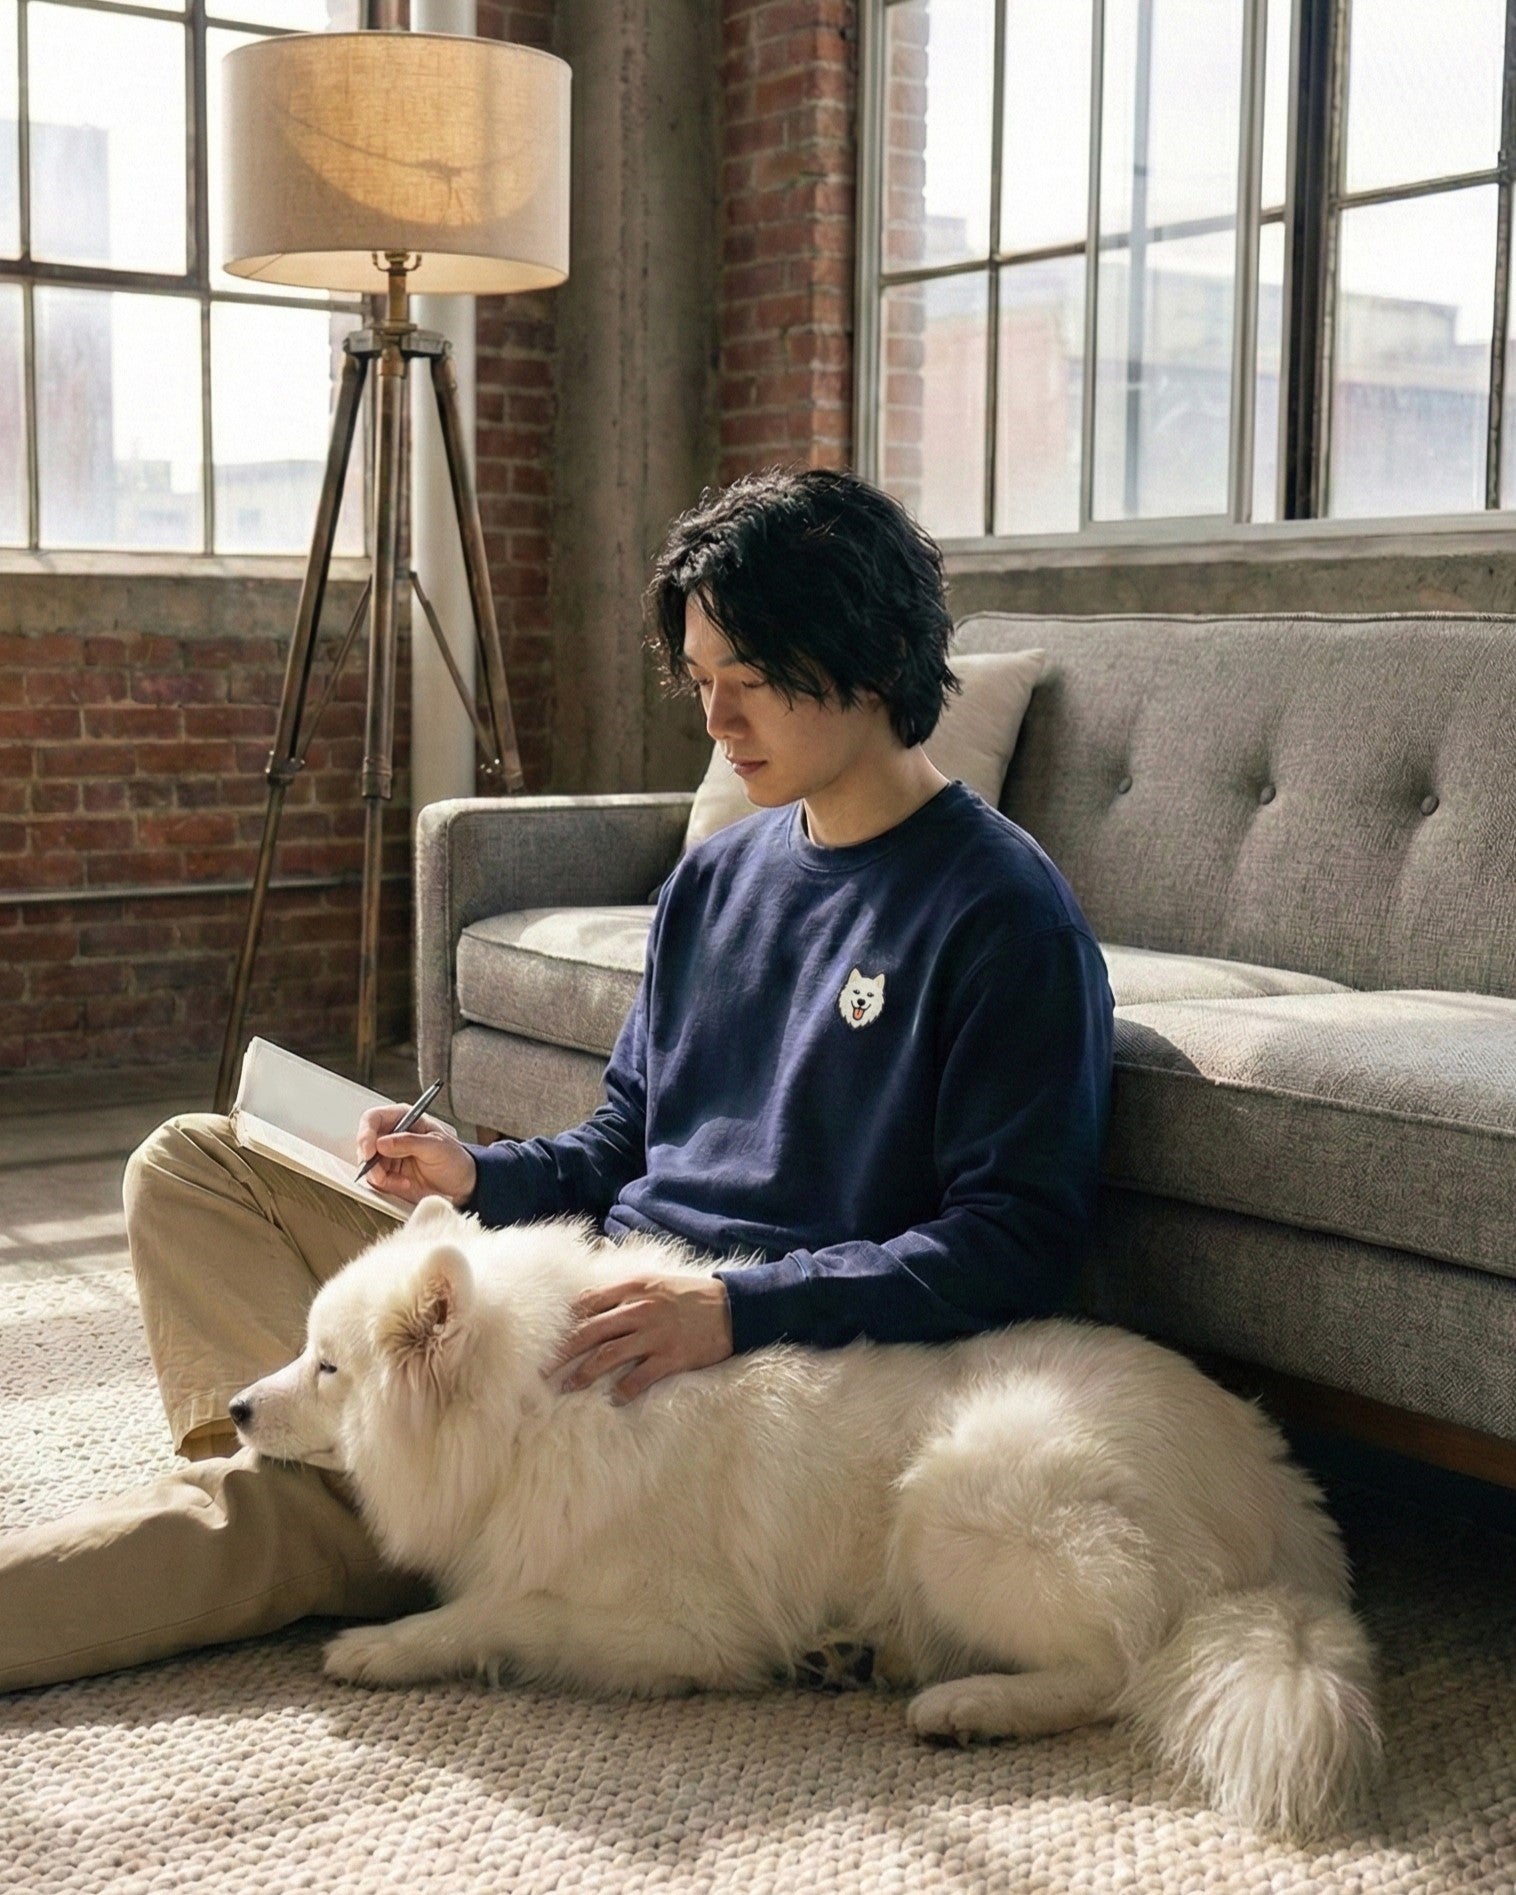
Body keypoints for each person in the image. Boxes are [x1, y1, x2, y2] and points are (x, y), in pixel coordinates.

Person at [0, 467, 1114, 1694]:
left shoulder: (1002, 913)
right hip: (566, 1312)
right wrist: (477, 1169)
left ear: (871, 658)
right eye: (699, 684)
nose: (715, 724)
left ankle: (327, 1522)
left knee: (279, 1509)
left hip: (708, 1382)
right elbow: (625, 1139)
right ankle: (366, 1497)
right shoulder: (716, 878)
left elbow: (1016, 1239)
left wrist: (735, 1310)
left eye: (746, 684)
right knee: (192, 1163)